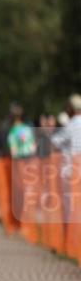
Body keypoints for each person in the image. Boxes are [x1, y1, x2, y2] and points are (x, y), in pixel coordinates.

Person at [51, 94, 81, 224]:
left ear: (71, 108)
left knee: (69, 205)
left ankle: (70, 231)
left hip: (70, 172)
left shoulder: (71, 125)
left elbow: (53, 142)